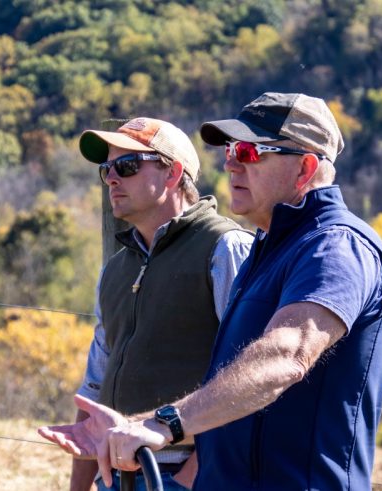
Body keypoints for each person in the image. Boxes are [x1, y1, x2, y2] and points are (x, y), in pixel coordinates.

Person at [40, 93, 382, 491]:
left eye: (249, 151)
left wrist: (164, 426)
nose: (230, 163)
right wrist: (135, 426)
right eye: (230, 150)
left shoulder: (336, 245)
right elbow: (228, 394)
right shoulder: (268, 251)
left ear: (305, 168)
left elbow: (286, 356)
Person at [70, 117, 253, 490]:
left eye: (128, 166)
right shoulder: (115, 269)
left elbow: (250, 377)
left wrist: (188, 480)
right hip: (114, 475)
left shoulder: (226, 248)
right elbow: (94, 386)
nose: (112, 179)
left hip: (184, 474)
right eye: (107, 170)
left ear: (173, 174)